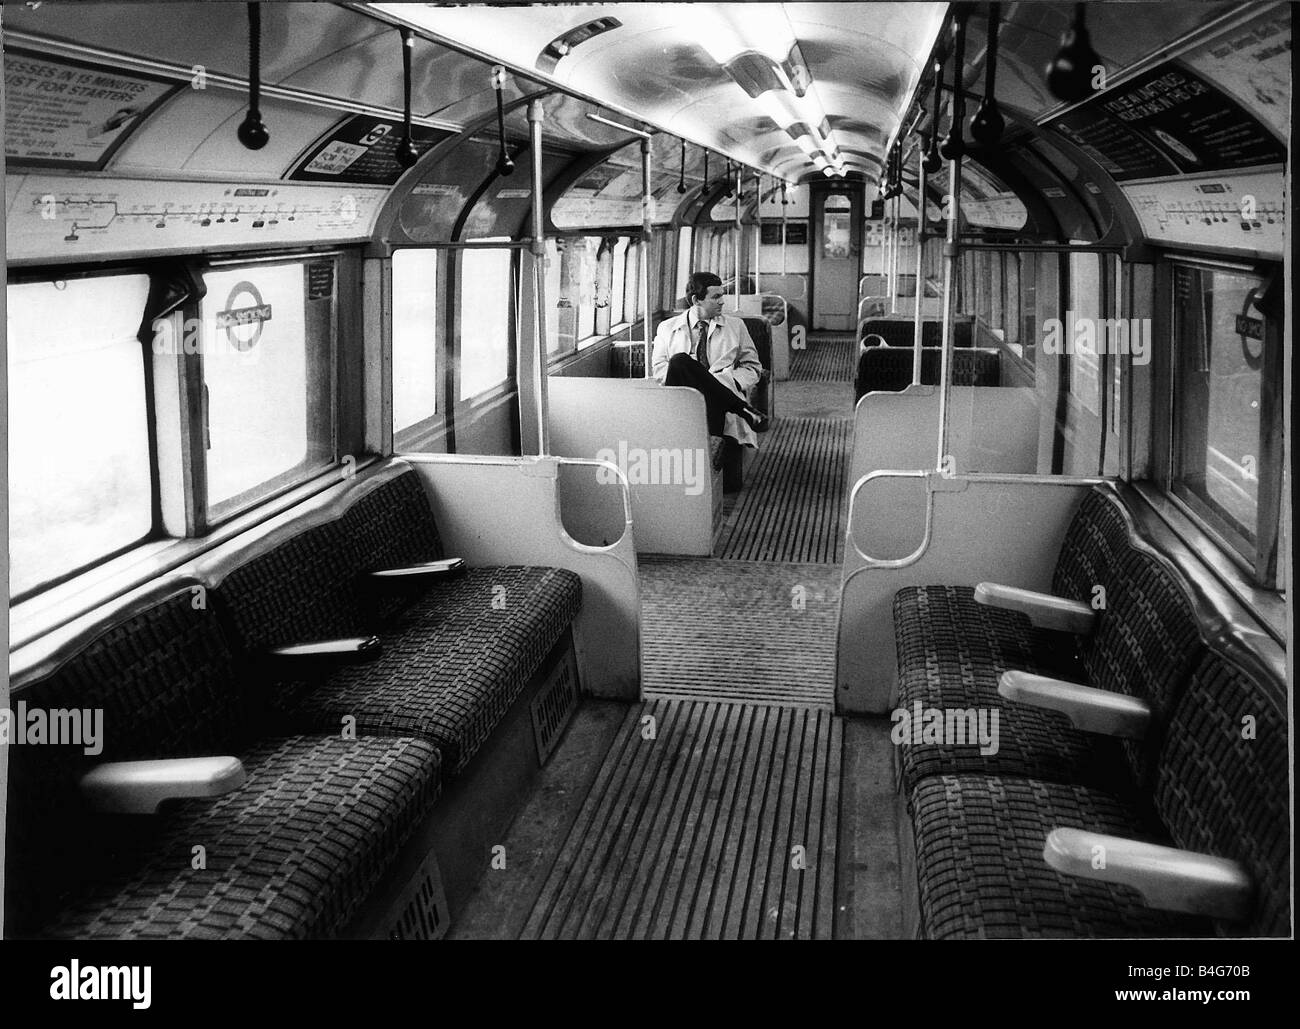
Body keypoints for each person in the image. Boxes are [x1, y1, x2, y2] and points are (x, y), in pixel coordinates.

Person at [650, 272, 769, 448]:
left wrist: (727, 381)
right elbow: (659, 370)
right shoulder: (667, 328)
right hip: (681, 400)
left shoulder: (736, 326)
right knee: (679, 361)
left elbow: (753, 368)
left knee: (686, 367)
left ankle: (735, 408)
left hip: (717, 401)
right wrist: (696, 380)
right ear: (696, 300)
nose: (722, 301)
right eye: (716, 297)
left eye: (722, 296)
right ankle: (742, 409)